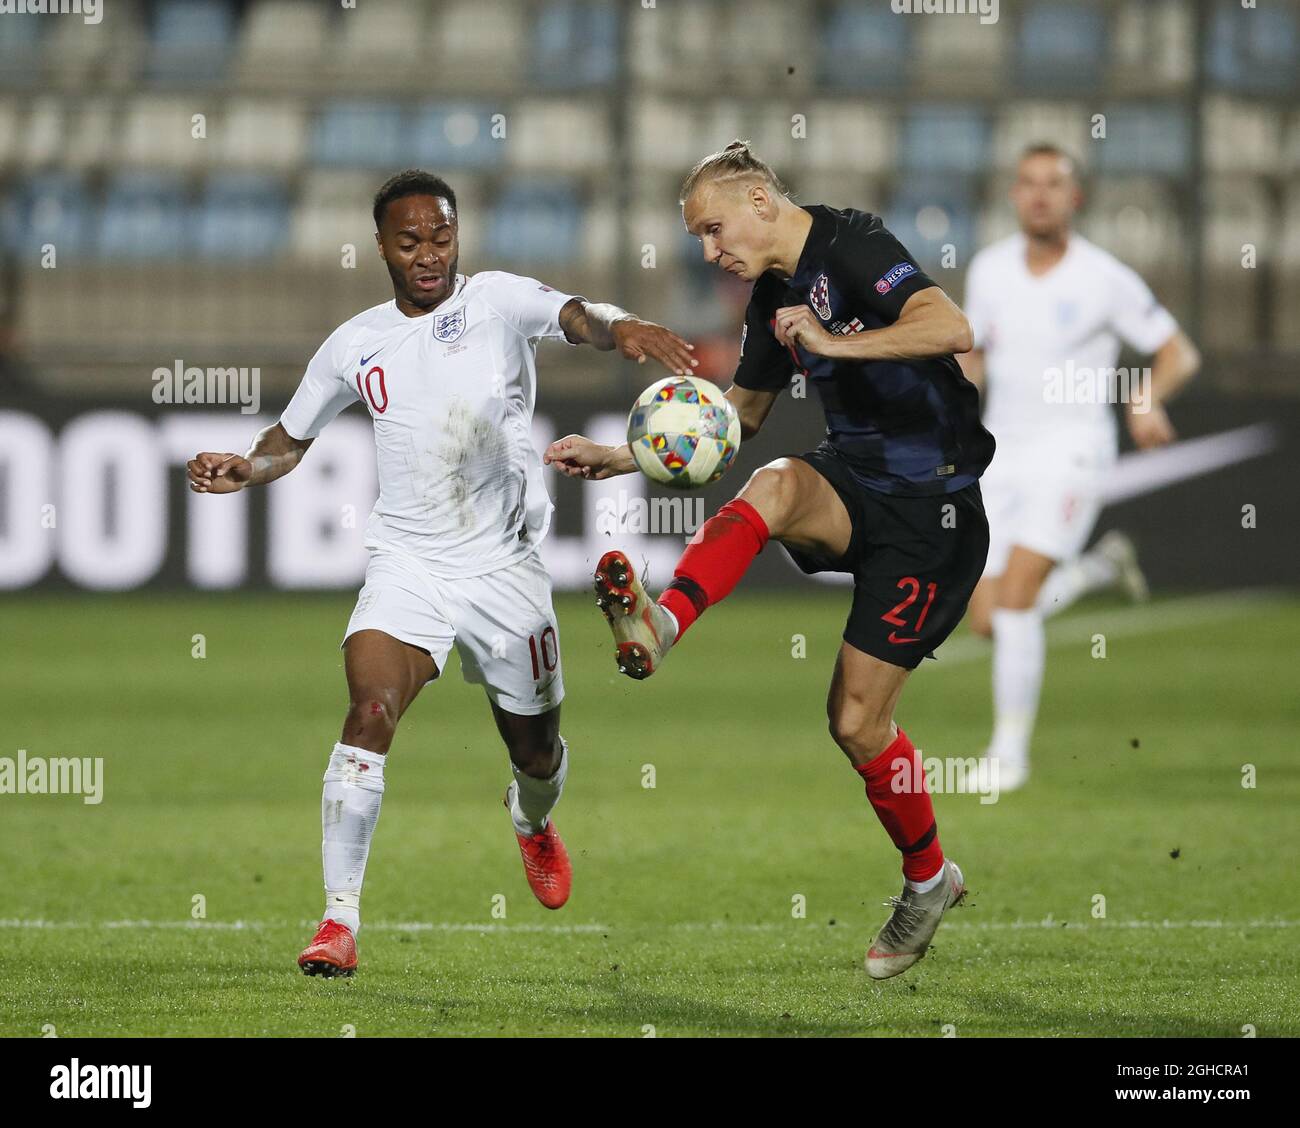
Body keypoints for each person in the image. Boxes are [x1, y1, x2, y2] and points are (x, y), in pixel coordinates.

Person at [187, 169, 697, 977]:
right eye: (410, 241)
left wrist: (623, 326)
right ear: (381, 247)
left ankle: (530, 823)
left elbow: (574, 316)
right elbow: (290, 438)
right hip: (409, 564)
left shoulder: (495, 301)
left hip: (505, 571)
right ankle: (338, 921)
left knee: (536, 753)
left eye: (442, 237)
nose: (429, 255)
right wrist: (245, 470)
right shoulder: (355, 344)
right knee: (369, 711)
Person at [544, 142, 995, 980]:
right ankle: (665, 620)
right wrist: (620, 456)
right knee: (776, 481)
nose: (711, 252)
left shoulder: (851, 244)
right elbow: (734, 423)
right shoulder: (770, 297)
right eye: (700, 239)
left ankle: (929, 880)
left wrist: (832, 341)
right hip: (854, 483)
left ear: (759, 198)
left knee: (855, 724)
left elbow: (952, 327)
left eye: (714, 230)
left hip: (934, 515)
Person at [958, 144, 1200, 791]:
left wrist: (1146, 397)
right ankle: (1097, 568)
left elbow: (1177, 352)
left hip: (1072, 452)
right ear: (1014, 195)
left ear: (1076, 198)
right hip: (1000, 453)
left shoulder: (1104, 278)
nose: (1040, 195)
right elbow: (974, 356)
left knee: (1014, 607)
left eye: (1054, 184)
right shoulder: (988, 271)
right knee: (984, 618)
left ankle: (1008, 755)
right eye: (1029, 183)